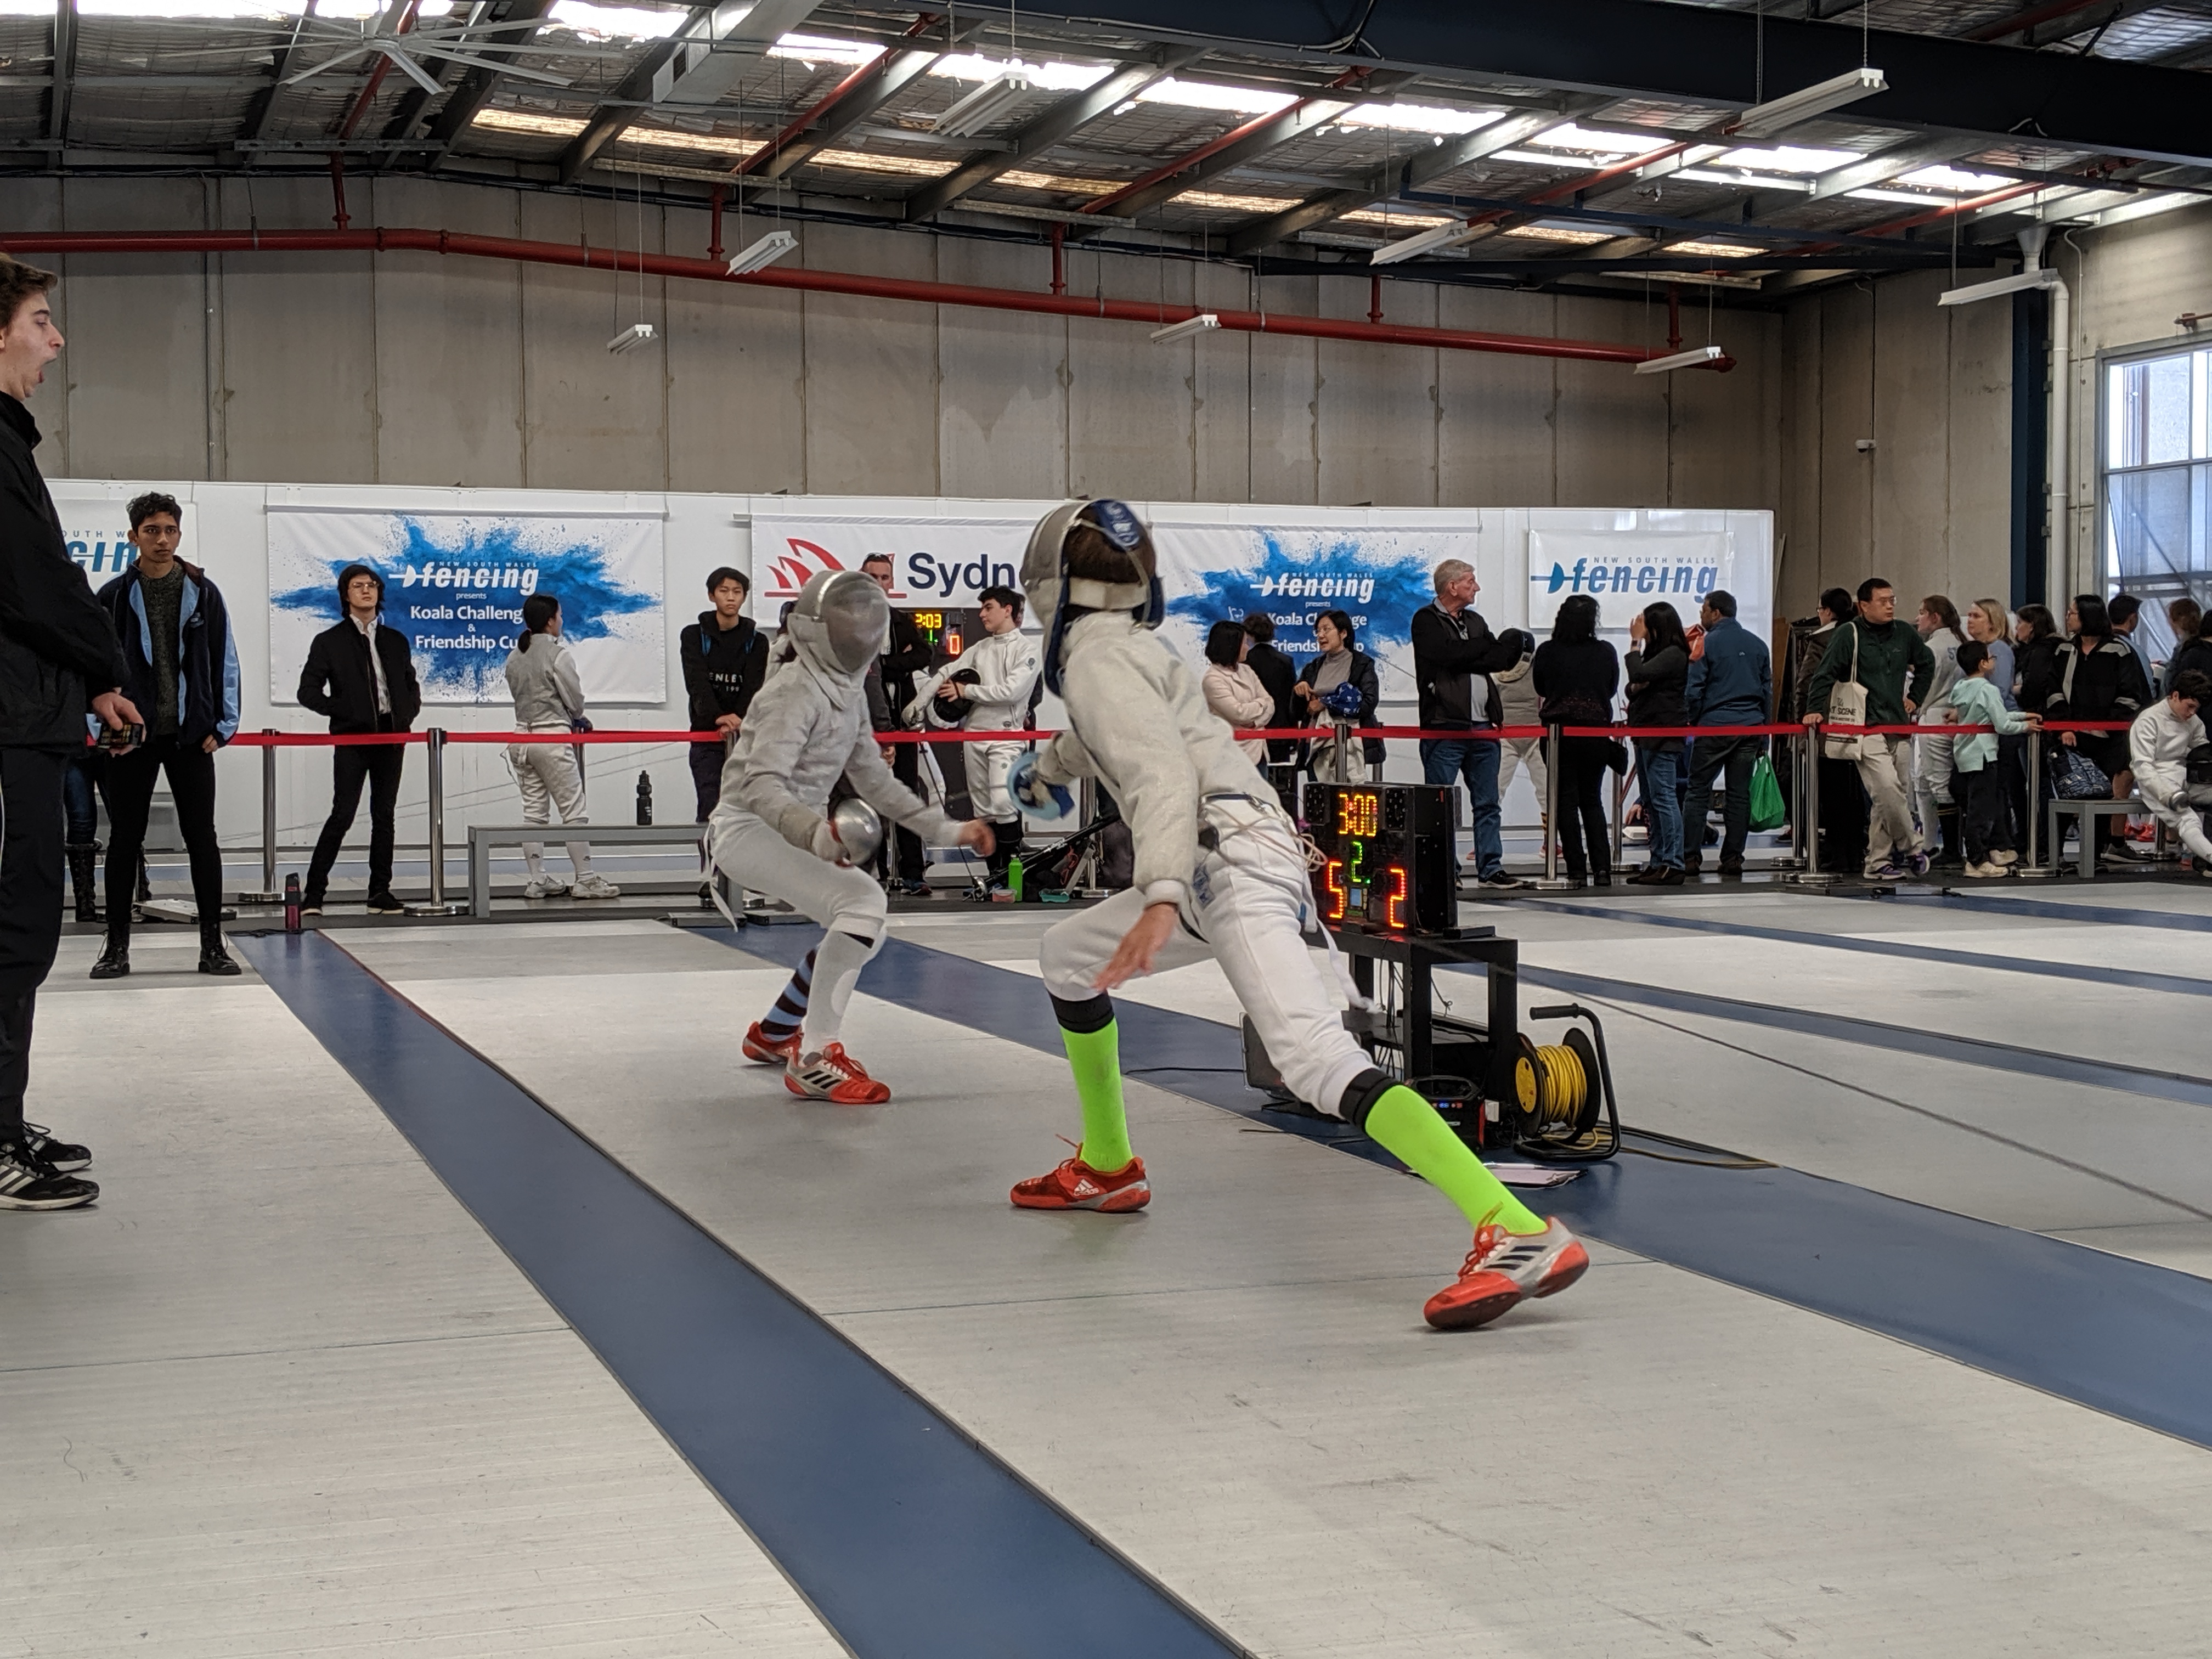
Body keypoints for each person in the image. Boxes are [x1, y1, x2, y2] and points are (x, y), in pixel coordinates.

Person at [1003, 498, 1588, 1331]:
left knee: (1315, 1063)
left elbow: (1163, 774)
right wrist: (1045, 771)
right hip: (1231, 851)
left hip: (1222, 863)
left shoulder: (1098, 660)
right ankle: (1107, 1164)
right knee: (1068, 956)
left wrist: (1159, 894)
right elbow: (1122, 737)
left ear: (1052, 581)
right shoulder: (1129, 650)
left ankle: (1517, 1228)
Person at [718, 570, 993, 1102]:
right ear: (816, 630)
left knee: (866, 930)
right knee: (863, 904)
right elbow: (760, 785)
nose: (860, 635)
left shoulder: (844, 692)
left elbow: (876, 782)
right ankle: (815, 1057)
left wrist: (949, 829)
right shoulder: (793, 691)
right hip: (748, 829)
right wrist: (814, 835)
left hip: (793, 831)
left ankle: (776, 1031)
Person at [0, 253, 139, 1210]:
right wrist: (105, 667)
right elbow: (35, 584)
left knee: (23, 927)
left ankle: (5, 1118)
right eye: (42, 320)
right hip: (9, 726)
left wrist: (89, 683)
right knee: (13, 928)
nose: (57, 338)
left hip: (29, 717)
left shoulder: (10, 441)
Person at [86, 492, 241, 979]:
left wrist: (224, 725)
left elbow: (225, 659)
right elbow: (92, 668)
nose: (163, 540)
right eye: (152, 531)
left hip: (191, 735)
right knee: (124, 841)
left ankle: (213, 945)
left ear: (179, 533)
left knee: (202, 839)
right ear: (134, 537)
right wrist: (101, 727)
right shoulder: (112, 596)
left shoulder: (204, 591)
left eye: (170, 530)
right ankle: (115, 947)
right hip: (130, 736)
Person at [297, 563, 420, 915]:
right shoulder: (330, 642)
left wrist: (407, 714)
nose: (366, 590)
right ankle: (314, 895)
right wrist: (343, 712)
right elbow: (308, 691)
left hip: (391, 737)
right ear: (346, 594)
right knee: (342, 814)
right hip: (352, 739)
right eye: (358, 585)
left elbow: (410, 685)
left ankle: (379, 892)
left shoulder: (395, 640)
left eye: (372, 585)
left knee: (384, 816)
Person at [907, 584, 1039, 895]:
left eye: (988, 607)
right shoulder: (979, 649)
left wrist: (966, 691)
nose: (982, 614)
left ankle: (1012, 880)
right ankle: (995, 881)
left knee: (1004, 804)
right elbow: (946, 673)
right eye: (981, 608)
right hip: (974, 737)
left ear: (1007, 610)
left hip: (1006, 737)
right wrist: (919, 704)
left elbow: (1012, 691)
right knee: (984, 812)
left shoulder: (1027, 650)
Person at [1804, 577, 1935, 880]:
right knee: (1887, 788)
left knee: (1890, 796)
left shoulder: (1904, 632)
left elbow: (1926, 663)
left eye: (1892, 600)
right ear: (1863, 605)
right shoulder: (1848, 634)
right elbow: (1825, 673)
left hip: (1898, 725)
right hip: (1864, 727)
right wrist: (1813, 708)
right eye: (1883, 601)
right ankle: (1913, 847)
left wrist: (1915, 698)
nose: (1890, 606)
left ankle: (1877, 862)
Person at [1412, 558, 1522, 888]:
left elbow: (1499, 658)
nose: (1477, 588)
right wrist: (1479, 648)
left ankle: (1491, 868)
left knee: (1488, 803)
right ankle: (1447, 873)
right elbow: (1444, 654)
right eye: (1470, 582)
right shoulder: (1425, 619)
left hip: (1484, 728)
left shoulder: (1475, 620)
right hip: (1444, 726)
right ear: (1452, 586)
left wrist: (1467, 652)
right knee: (1441, 807)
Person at [503, 592, 619, 901]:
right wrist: (576, 716)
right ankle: (586, 879)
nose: (562, 621)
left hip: (521, 739)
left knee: (534, 813)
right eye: (560, 616)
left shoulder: (514, 655)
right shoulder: (558, 655)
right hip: (551, 738)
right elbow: (575, 701)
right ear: (550, 621)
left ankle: (537, 879)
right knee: (574, 811)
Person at [2047, 593, 2151, 867]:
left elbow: (2132, 694)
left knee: (2102, 795)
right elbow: (2053, 690)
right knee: (2068, 794)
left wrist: (2108, 726)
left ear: (2088, 616)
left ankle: (2093, 856)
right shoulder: (2064, 651)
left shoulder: (2119, 651)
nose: (2068, 617)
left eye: (2073, 613)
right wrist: (2064, 726)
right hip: (2070, 736)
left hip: (2109, 738)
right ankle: (2055, 855)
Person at [1679, 589, 1773, 878]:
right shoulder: (1758, 645)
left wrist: (1693, 722)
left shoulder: (1705, 644)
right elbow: (1767, 693)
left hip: (1714, 727)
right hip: (1750, 728)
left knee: (1698, 791)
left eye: (1704, 611)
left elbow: (1694, 689)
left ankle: (1690, 858)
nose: (1702, 616)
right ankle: (1733, 858)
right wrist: (1764, 735)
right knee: (1738, 794)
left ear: (1716, 613)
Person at [1532, 594, 1620, 888]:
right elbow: (1611, 688)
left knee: (1565, 803)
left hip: (1559, 735)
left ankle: (1576, 870)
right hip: (1595, 733)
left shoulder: (1547, 651)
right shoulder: (1605, 651)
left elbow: (1540, 687)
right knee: (1592, 800)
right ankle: (1603, 869)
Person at [862, 555, 936, 897]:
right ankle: (872, 873)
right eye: (873, 576)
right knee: (868, 800)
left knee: (907, 796)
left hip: (903, 723)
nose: (879, 583)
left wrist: (884, 665)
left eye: (885, 577)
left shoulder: (901, 620)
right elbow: (859, 668)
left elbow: (924, 655)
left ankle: (913, 873)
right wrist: (888, 666)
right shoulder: (850, 621)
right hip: (866, 726)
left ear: (891, 582)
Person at [681, 566, 768, 824]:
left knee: (745, 810)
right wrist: (717, 716)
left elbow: (754, 686)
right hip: (706, 737)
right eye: (724, 591)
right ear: (712, 595)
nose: (731, 597)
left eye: (737, 592)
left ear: (744, 597)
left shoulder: (758, 641)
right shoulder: (693, 636)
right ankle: (709, 853)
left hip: (745, 737)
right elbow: (696, 681)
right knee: (709, 805)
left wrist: (738, 719)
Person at [1948, 641, 2040, 878]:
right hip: (1984, 756)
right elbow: (2002, 724)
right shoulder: (1988, 689)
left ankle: (1980, 856)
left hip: (1965, 753)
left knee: (1974, 809)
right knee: (1981, 812)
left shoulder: (1961, 687)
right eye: (1991, 658)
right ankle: (1977, 861)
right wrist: (2025, 726)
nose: (1994, 661)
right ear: (1983, 664)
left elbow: (1987, 716)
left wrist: (2021, 715)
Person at [1624, 601, 1690, 885]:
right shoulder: (1659, 655)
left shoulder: (1674, 654)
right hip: (1646, 732)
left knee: (1664, 797)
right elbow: (1632, 686)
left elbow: (1638, 675)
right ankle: (1658, 859)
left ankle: (1673, 862)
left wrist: (1634, 643)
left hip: (1663, 734)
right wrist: (1638, 683)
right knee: (1651, 799)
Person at [2128, 668, 2212, 874]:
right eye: (2189, 706)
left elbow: (2201, 754)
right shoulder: (2148, 720)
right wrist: (2167, 794)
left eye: (2196, 708)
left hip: (2187, 777)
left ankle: (2203, 861)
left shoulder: (2193, 722)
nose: (2192, 713)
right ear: (2175, 696)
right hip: (2157, 780)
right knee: (2188, 820)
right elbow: (2142, 766)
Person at [1294, 610, 1383, 786]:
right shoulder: (1312, 668)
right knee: (1321, 798)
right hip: (1317, 747)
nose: (1321, 636)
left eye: (1327, 629)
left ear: (1343, 633)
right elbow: (1298, 712)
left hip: (1351, 747)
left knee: (1352, 798)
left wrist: (1325, 703)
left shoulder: (1362, 664)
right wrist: (1298, 694)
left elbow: (1368, 703)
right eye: (1318, 631)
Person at [1911, 595, 1967, 866]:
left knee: (1939, 784)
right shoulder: (1960, 642)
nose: (1918, 618)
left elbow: (1927, 686)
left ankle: (1952, 849)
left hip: (1935, 715)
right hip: (1954, 716)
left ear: (1936, 617)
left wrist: (1914, 704)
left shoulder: (1932, 648)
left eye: (1923, 612)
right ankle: (1929, 843)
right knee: (1923, 782)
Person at [1966, 599, 2024, 849]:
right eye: (1970, 615)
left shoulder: (1999, 650)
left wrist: (1968, 710)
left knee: (1997, 786)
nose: (1970, 620)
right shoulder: (1977, 649)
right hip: (1982, 725)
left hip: (2000, 726)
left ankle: (2001, 842)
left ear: (1992, 622)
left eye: (1977, 616)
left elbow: (1998, 691)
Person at [1240, 611, 1299, 810]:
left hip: (1252, 734)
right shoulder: (1286, 661)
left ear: (1249, 634)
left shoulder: (1244, 663)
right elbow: (1291, 702)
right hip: (1281, 733)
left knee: (1252, 786)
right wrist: (1294, 737)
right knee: (1282, 787)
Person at [1491, 628, 1545, 827]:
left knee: (1546, 791)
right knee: (1494, 790)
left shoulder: (1538, 668)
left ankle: (1551, 839)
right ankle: (1488, 838)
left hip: (1537, 736)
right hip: (1505, 736)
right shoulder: (1495, 672)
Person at [1200, 619, 1273, 764]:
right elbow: (1239, 714)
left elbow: (1270, 703)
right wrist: (1261, 704)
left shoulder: (1247, 670)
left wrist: (1254, 723)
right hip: (1232, 754)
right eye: (1245, 643)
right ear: (1232, 646)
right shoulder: (1212, 679)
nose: (1248, 647)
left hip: (1259, 751)